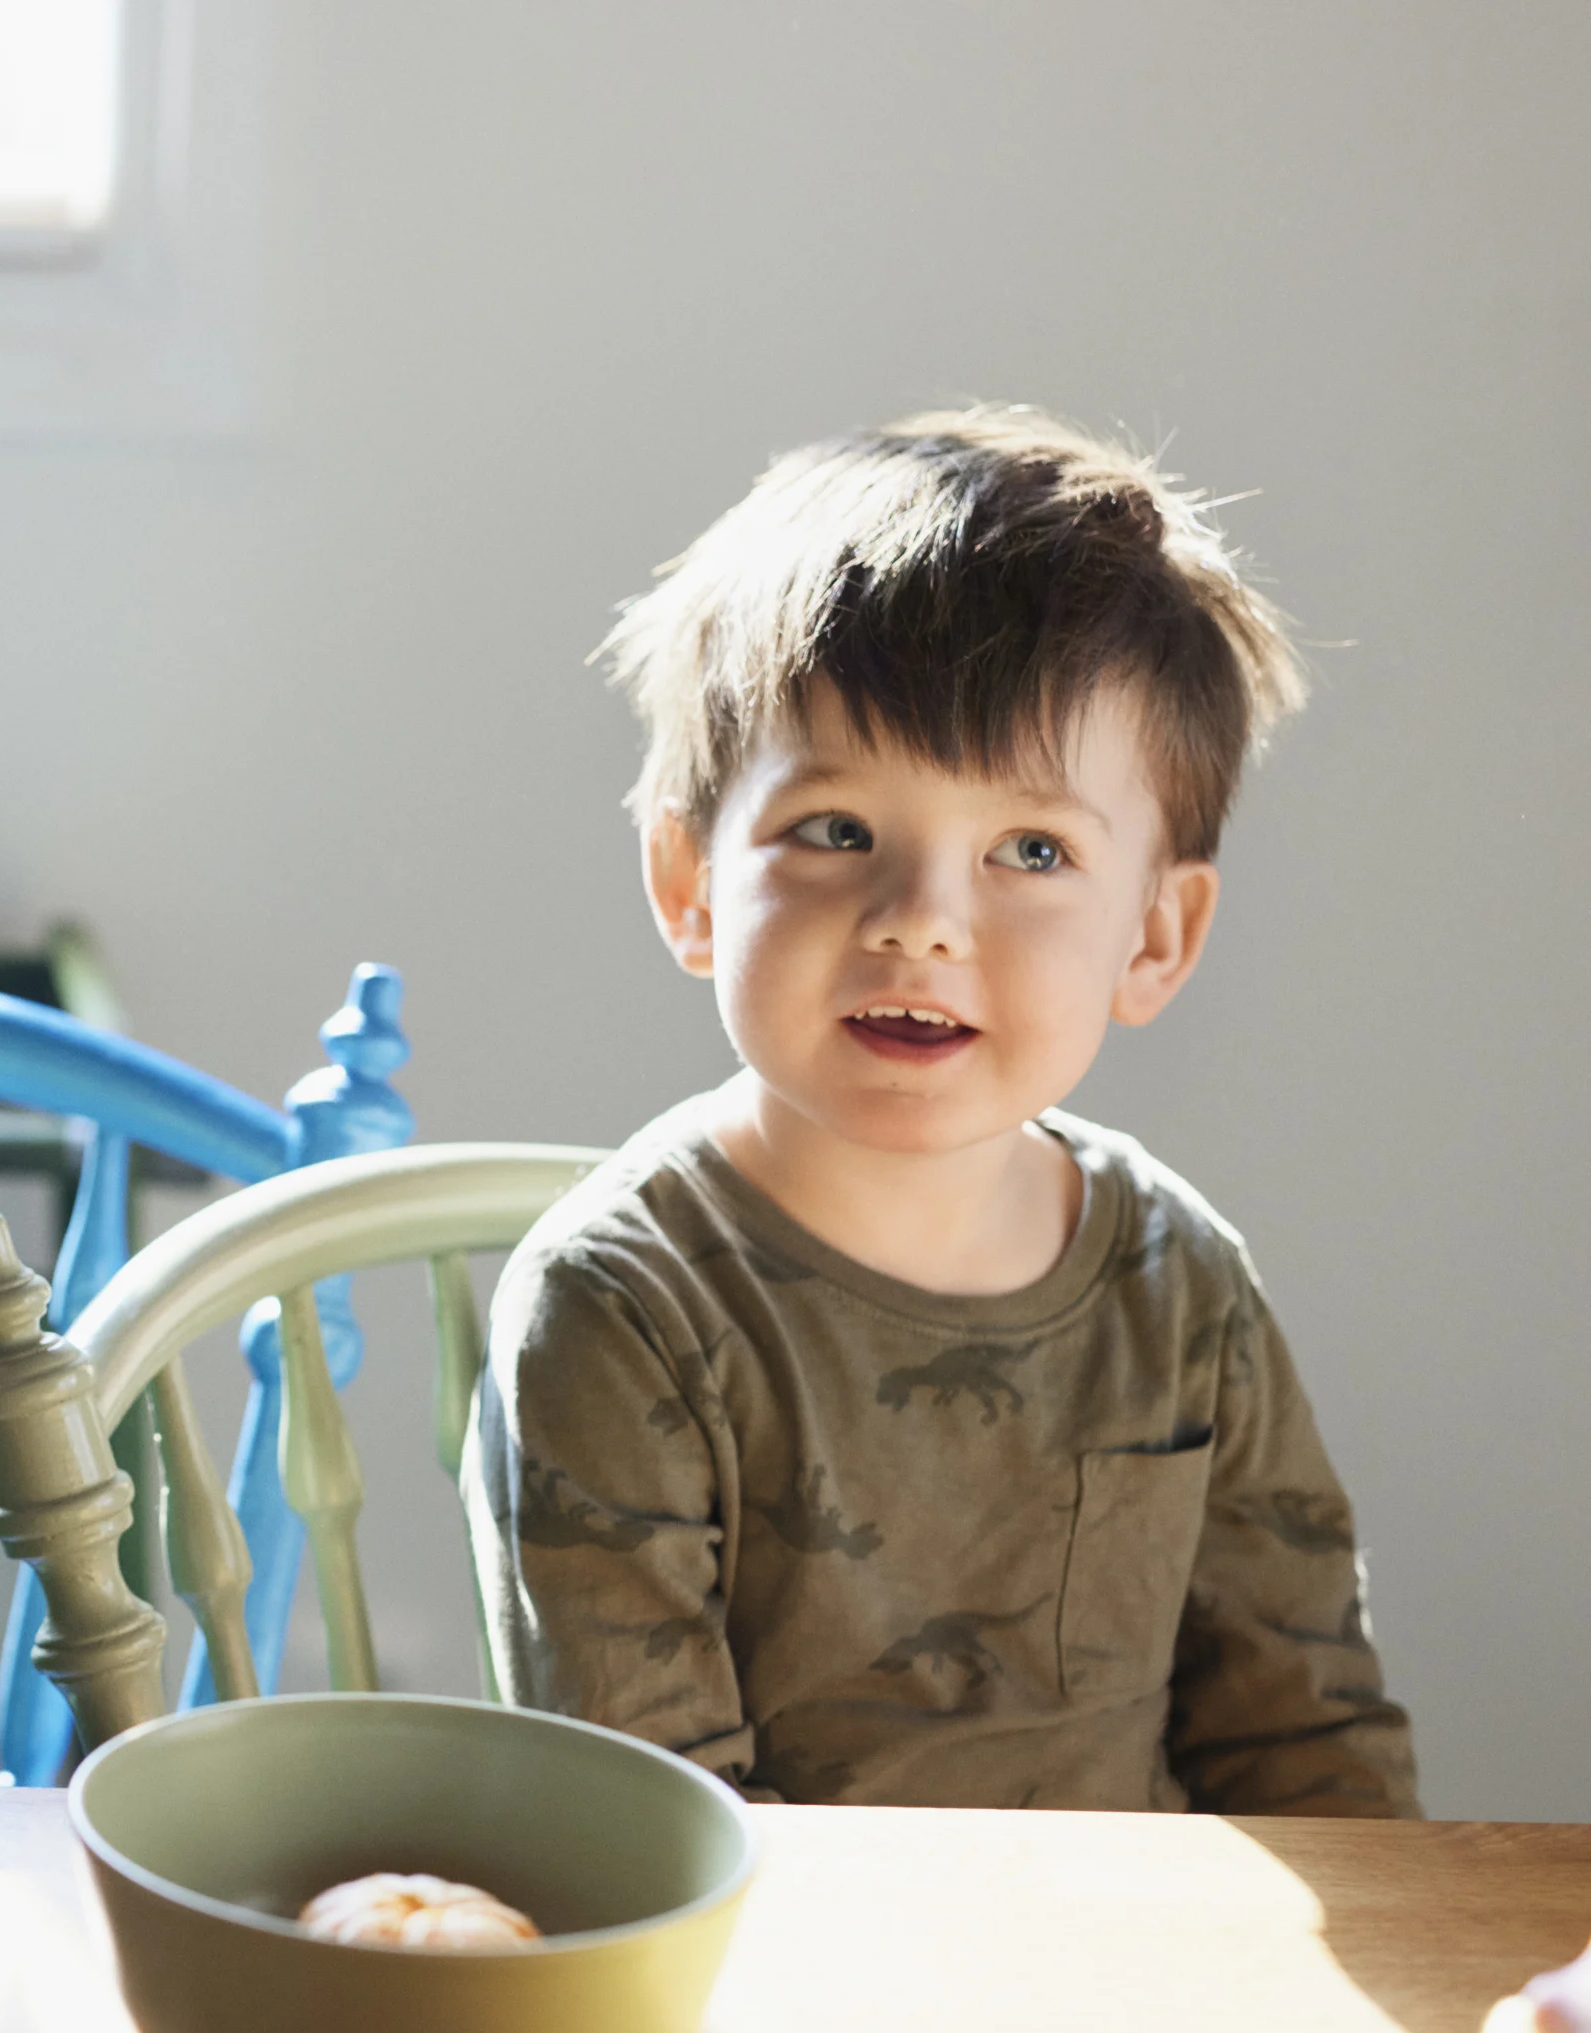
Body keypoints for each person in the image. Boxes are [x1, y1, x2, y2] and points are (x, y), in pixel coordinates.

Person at [465, 407, 1417, 1813]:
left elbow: (1305, 1753)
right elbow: (664, 1833)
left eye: (1030, 850)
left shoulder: (1181, 1281)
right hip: (787, 2002)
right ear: (690, 886)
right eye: (837, 832)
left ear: (1155, 936)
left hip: (1150, 1990)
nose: (919, 923)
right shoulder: (620, 1309)